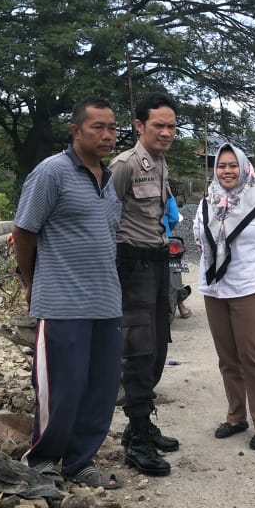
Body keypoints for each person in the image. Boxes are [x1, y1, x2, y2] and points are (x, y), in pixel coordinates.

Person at [11, 97, 123, 489]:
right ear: (75, 131)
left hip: (106, 303)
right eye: (98, 127)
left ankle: (80, 461)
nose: (108, 135)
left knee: (101, 388)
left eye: (112, 128)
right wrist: (31, 283)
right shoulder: (51, 173)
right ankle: (42, 459)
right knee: (63, 386)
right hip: (62, 302)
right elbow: (25, 232)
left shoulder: (108, 181)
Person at [193, 143, 255, 451]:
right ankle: (236, 416)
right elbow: (200, 240)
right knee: (227, 358)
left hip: (248, 290)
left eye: (232, 165)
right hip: (214, 289)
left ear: (244, 168)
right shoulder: (206, 202)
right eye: (221, 166)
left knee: (253, 358)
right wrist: (218, 267)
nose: (226, 171)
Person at [110, 91, 182, 477]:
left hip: (156, 264)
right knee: (138, 351)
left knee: (157, 346)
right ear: (139, 126)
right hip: (130, 266)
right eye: (159, 125)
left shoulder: (159, 162)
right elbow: (105, 220)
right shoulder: (125, 165)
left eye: (172, 126)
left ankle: (144, 423)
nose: (167, 132)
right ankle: (136, 438)